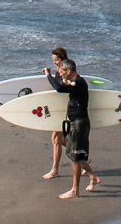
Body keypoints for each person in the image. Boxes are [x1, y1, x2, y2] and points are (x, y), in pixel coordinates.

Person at [45, 58, 100, 199]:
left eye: (62, 72)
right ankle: (92, 177)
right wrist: (62, 79)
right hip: (77, 122)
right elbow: (66, 85)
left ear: (68, 71)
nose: (60, 74)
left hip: (79, 123)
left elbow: (60, 89)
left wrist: (48, 75)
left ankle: (77, 189)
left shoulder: (79, 83)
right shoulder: (77, 82)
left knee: (75, 157)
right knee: (75, 154)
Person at [42, 47, 71, 180]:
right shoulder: (60, 70)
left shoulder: (64, 71)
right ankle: (81, 158)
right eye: (53, 60)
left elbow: (60, 88)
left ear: (62, 58)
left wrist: (48, 75)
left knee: (56, 140)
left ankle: (55, 170)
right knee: (58, 139)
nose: (54, 62)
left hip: (65, 110)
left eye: (56, 60)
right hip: (61, 108)